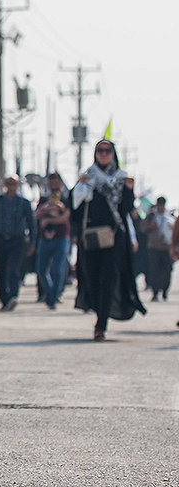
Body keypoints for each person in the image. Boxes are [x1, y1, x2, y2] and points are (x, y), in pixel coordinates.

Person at [69, 140, 146, 340]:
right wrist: (81, 186)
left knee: (108, 280)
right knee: (91, 278)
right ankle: (98, 311)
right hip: (91, 239)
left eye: (107, 150)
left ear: (113, 153)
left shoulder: (122, 179)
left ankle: (101, 324)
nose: (103, 154)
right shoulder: (87, 178)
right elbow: (75, 210)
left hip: (114, 238)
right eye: (100, 151)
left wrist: (129, 190)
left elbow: (126, 210)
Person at [0, 175, 35, 312]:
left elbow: (32, 224)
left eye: (13, 183)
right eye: (8, 183)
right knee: (1, 271)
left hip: (17, 241)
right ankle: (4, 300)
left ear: (18, 185)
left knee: (13, 270)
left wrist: (32, 242)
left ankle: (13, 296)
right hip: (1, 240)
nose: (11, 186)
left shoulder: (24, 202)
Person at [34, 173, 71, 310]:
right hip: (44, 239)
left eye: (56, 182)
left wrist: (49, 219)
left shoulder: (66, 200)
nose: (54, 185)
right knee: (41, 270)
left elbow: (65, 218)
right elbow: (37, 215)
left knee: (58, 270)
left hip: (61, 238)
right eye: (51, 182)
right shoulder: (44, 199)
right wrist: (47, 209)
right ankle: (51, 293)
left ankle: (54, 298)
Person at [141, 196, 174, 301]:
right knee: (154, 270)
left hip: (167, 247)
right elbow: (143, 228)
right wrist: (151, 226)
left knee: (167, 270)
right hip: (154, 247)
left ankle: (164, 290)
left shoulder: (170, 216)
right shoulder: (151, 216)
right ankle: (155, 293)